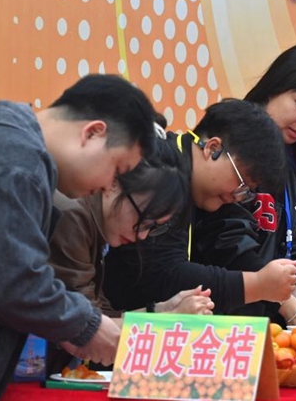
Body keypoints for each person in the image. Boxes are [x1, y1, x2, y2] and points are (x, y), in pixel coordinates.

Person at [0, 74, 159, 400]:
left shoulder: (0, 145)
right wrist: (87, 325)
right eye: (117, 170)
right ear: (92, 133)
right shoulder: (12, 159)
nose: (109, 186)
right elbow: (13, 283)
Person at [192, 43, 296, 327]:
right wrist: (286, 304)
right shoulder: (236, 141)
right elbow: (228, 241)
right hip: (220, 315)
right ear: (274, 88)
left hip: (267, 320)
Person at [103, 99, 296, 315]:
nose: (237, 196)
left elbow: (232, 247)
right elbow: (162, 274)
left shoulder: (206, 189)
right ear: (212, 148)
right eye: (242, 183)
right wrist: (257, 285)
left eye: (247, 192)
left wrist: (282, 295)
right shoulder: (163, 170)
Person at [47, 120, 213, 373]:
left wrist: (159, 310)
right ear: (114, 181)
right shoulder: (73, 213)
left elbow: (97, 313)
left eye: (154, 227)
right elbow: (79, 329)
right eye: (144, 221)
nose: (143, 236)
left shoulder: (99, 219)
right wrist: (169, 321)